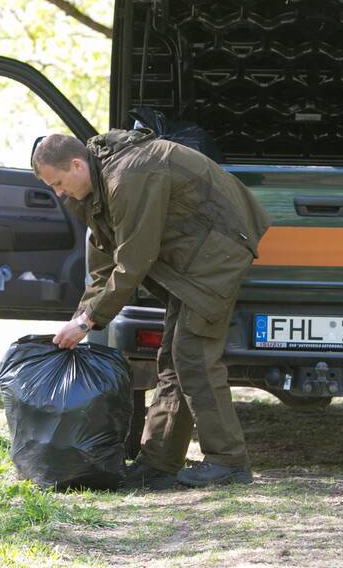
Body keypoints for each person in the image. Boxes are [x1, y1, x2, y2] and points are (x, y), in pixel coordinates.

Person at [32, 130, 270, 490]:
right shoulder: (93, 186)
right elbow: (102, 265)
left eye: (59, 182)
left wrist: (88, 321)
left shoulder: (130, 175)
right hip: (189, 256)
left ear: (77, 164)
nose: (59, 192)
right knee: (173, 358)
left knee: (193, 355)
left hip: (218, 248)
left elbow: (133, 260)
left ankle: (229, 462)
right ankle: (159, 463)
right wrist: (80, 316)